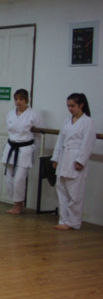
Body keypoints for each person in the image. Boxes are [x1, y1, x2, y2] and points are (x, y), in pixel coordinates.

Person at [51, 93, 96, 230]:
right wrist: (56, 158)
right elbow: (60, 140)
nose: (70, 109)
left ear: (81, 105)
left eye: (73, 106)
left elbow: (88, 142)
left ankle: (74, 222)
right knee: (62, 191)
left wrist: (80, 161)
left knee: (75, 194)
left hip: (75, 159)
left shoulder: (87, 122)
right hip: (64, 157)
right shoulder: (66, 121)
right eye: (68, 106)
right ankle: (63, 219)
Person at [0, 89, 43, 215]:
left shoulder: (34, 115)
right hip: (11, 147)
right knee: (9, 178)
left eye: (21, 99)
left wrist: (34, 152)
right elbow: (10, 132)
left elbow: (38, 136)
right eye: (16, 99)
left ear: (27, 100)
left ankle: (20, 204)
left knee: (19, 179)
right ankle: (14, 203)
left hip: (25, 149)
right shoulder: (10, 114)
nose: (18, 102)